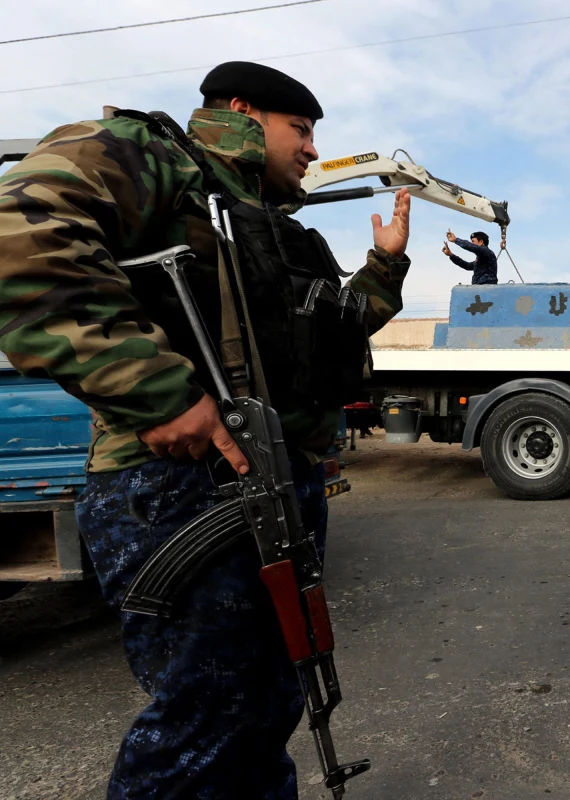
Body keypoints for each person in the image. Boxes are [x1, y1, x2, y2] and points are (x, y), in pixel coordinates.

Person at [0, 61, 412, 798]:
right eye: (303, 130)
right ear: (245, 112)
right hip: (184, 485)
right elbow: (19, 238)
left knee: (264, 705)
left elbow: (326, 341)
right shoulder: (149, 155)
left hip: (268, 481)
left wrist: (383, 267)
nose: (314, 151)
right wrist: (156, 395)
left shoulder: (256, 224)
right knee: (206, 719)